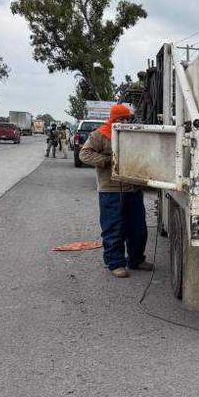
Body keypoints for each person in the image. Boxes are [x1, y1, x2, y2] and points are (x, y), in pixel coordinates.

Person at [78, 104, 152, 278]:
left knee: (138, 228)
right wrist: (109, 160)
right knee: (113, 228)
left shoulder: (133, 133)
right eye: (122, 119)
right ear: (113, 118)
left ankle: (136, 259)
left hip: (133, 188)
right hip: (110, 191)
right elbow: (84, 155)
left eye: (127, 118)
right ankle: (115, 263)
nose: (125, 121)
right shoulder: (100, 134)